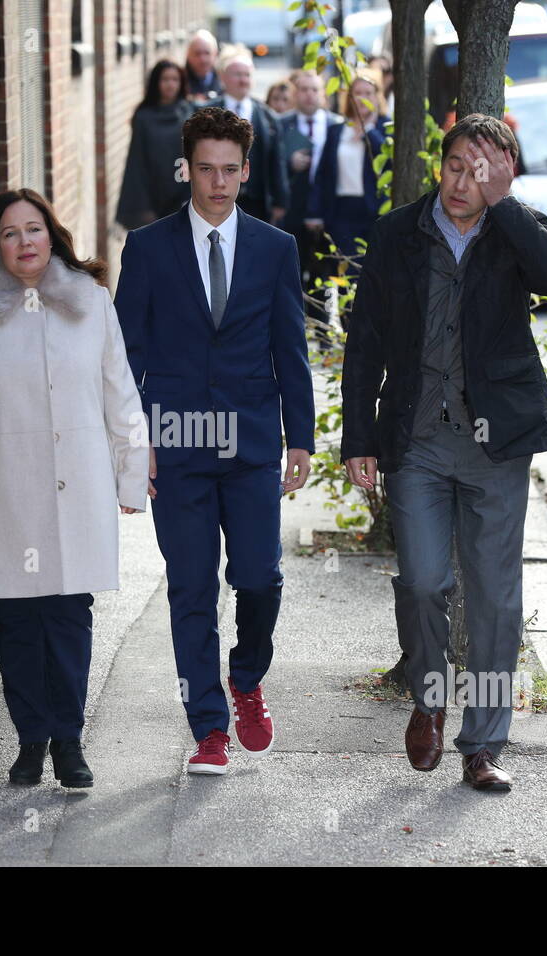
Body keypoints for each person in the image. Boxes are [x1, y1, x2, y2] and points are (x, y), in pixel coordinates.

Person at [340, 114, 547, 792]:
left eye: (481, 171)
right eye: (455, 167)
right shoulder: (397, 233)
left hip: (495, 445)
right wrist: (359, 438)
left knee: (497, 600)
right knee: (421, 581)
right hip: (418, 438)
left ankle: (484, 746)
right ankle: (430, 698)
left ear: (502, 177)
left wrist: (506, 206)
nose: (463, 182)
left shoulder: (516, 229)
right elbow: (367, 343)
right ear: (438, 167)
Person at [113, 106, 315, 775]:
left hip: (253, 443)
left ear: (246, 170)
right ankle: (208, 728)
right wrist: (133, 440)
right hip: (178, 447)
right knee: (191, 589)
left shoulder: (274, 249)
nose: (219, 182)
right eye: (207, 169)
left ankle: (246, 678)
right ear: (187, 169)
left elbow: (293, 348)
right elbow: (124, 358)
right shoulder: (146, 249)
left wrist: (302, 438)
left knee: (259, 577)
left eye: (231, 170)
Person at [0, 188, 149, 789]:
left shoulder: (91, 302)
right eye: (10, 233)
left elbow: (120, 391)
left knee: (71, 618)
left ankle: (70, 741)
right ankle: (30, 740)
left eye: (34, 229)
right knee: (18, 623)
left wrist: (131, 473)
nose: (25, 242)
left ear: (51, 234)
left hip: (79, 486)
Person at [304, 68, 390, 322]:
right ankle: (348, 332)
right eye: (357, 93)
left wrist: (369, 134)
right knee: (347, 274)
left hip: (375, 212)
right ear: (349, 97)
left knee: (373, 275)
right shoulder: (336, 131)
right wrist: (314, 212)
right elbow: (323, 175)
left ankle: (372, 332)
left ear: (377, 96)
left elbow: (389, 163)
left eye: (368, 93)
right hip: (342, 212)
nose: (362, 98)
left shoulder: (386, 128)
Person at [279, 70, 343, 347]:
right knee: (292, 274)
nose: (308, 94)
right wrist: (288, 163)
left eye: (314, 89)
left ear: (323, 95)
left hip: (327, 215)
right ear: (294, 94)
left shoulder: (337, 125)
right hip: (291, 212)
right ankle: (293, 334)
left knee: (325, 274)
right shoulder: (281, 125)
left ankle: (323, 333)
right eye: (303, 89)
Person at [116, 59, 194, 230]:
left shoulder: (188, 112)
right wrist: (143, 206)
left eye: (175, 79)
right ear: (155, 82)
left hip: (181, 191)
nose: (170, 84)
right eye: (165, 79)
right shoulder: (143, 116)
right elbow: (136, 161)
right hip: (151, 191)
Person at [218, 50, 289, 225]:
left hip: (256, 203)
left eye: (247, 75)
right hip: (216, 197)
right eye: (237, 75)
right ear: (223, 78)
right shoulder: (207, 112)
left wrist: (280, 201)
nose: (243, 80)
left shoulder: (268, 117)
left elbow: (277, 162)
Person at [184, 29, 223, 102]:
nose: (202, 59)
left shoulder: (225, 81)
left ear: (216, 54)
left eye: (207, 53)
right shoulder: (179, 82)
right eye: (197, 53)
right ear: (188, 55)